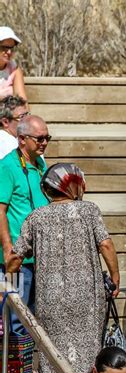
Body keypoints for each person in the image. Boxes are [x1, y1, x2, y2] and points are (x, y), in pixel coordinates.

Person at [11, 163, 120, 373]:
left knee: (52, 352)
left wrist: (8, 277)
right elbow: (105, 244)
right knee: (89, 349)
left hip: (51, 297)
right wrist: (115, 277)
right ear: (71, 185)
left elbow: (16, 256)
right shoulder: (88, 211)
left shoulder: (35, 217)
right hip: (87, 296)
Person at [0, 115, 50, 328]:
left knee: (36, 317)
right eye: (39, 139)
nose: (44, 143)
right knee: (18, 318)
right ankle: (16, 362)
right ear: (22, 139)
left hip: (40, 256)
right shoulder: (8, 166)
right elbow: (0, 210)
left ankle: (29, 361)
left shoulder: (41, 163)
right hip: (19, 260)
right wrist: (8, 248)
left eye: (47, 137)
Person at [0, 27, 27, 102]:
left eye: (11, 48)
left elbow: (22, 101)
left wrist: (26, 114)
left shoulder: (14, 69)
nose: (9, 52)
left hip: (9, 113)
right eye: (4, 48)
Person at [0, 95, 29, 159]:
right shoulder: (5, 142)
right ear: (5, 122)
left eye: (27, 115)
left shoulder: (19, 138)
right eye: (22, 117)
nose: (27, 120)